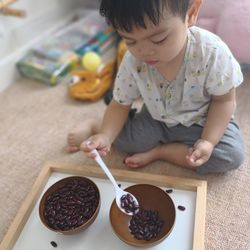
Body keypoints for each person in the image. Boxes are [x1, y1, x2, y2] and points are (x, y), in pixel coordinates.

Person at [66, 0, 245, 174]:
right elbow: (120, 104)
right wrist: (105, 136)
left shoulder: (212, 53)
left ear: (190, 14)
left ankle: (161, 152)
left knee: (231, 155)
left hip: (204, 120)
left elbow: (224, 101)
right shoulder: (133, 61)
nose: (143, 51)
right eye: (130, 41)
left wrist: (208, 141)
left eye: (158, 39)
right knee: (127, 141)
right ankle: (95, 126)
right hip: (156, 118)